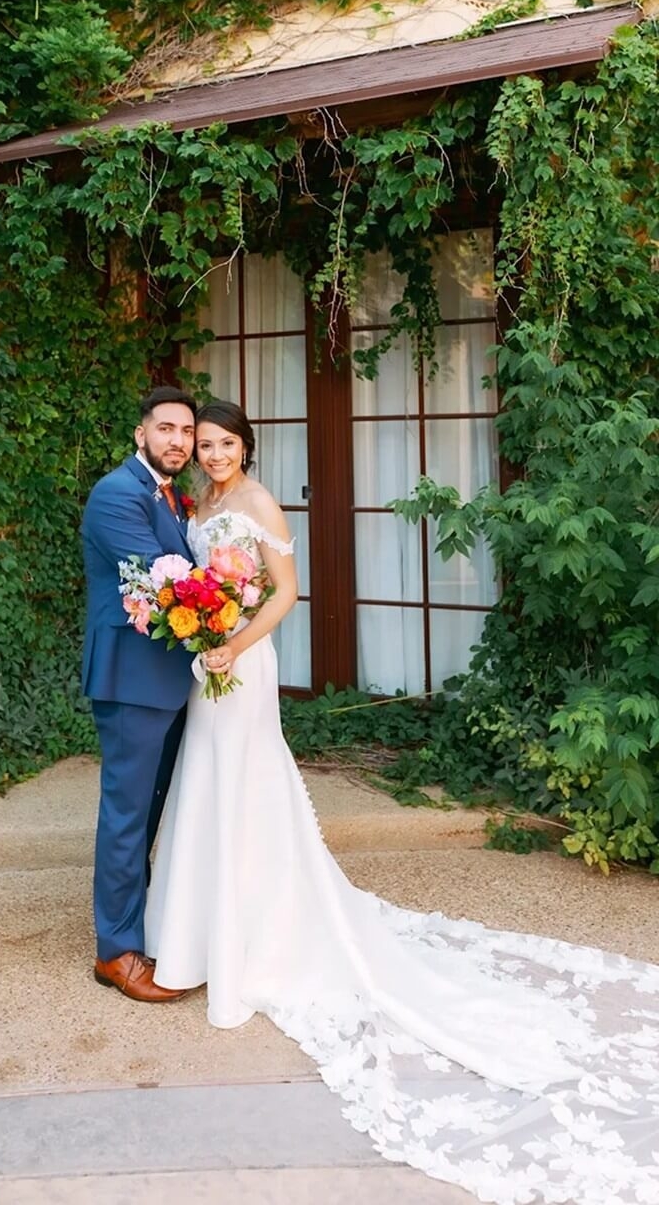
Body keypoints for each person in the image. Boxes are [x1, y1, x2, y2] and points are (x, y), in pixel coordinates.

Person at [144, 399, 659, 1205]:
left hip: (240, 666)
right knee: (204, 787)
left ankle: (255, 937)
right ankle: (202, 935)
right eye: (203, 445)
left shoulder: (257, 503)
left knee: (245, 787)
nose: (211, 455)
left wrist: (233, 643)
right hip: (205, 658)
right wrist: (198, 628)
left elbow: (283, 592)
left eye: (223, 444)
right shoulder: (199, 504)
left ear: (247, 447)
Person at [81, 385, 197, 1003]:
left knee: (152, 812)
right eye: (166, 429)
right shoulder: (116, 494)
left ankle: (144, 929)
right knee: (127, 817)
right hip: (132, 679)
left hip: (170, 678)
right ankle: (116, 954)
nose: (177, 440)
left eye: (186, 431)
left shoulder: (173, 498)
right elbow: (162, 580)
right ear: (141, 434)